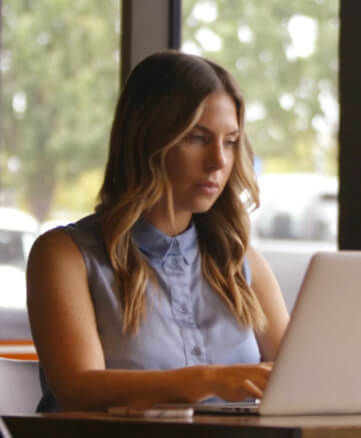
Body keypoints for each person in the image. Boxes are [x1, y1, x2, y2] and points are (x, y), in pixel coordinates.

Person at [26, 50, 289, 412]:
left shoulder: (242, 262)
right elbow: (77, 387)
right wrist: (209, 380)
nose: (219, 161)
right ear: (147, 140)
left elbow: (299, 380)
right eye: (197, 138)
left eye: (230, 142)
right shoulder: (65, 255)